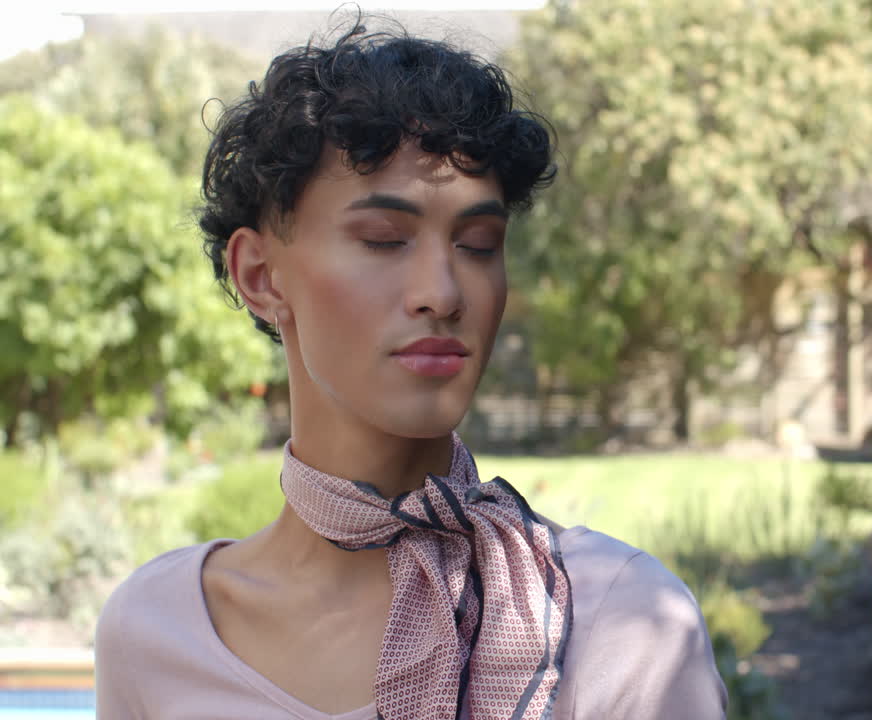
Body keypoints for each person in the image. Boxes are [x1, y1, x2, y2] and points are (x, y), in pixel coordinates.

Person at [94, 20, 728, 720]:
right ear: (260, 275)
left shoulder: (622, 623)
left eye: (479, 244)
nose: (444, 292)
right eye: (384, 240)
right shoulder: (155, 635)